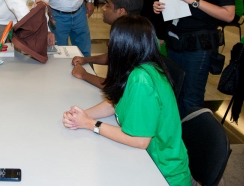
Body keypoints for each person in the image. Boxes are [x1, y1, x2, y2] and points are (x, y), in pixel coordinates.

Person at [63, 15, 191, 185]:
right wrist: (82, 115)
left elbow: (140, 140)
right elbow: (114, 102)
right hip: (148, 162)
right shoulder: (143, 67)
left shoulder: (141, 80)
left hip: (162, 173)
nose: (110, 45)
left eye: (112, 41)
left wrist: (91, 124)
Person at [71, 0, 143, 88]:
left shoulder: (127, 38)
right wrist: (87, 59)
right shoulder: (136, 29)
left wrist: (84, 75)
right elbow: (114, 56)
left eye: (108, 5)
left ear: (121, 12)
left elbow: (116, 87)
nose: (103, 8)